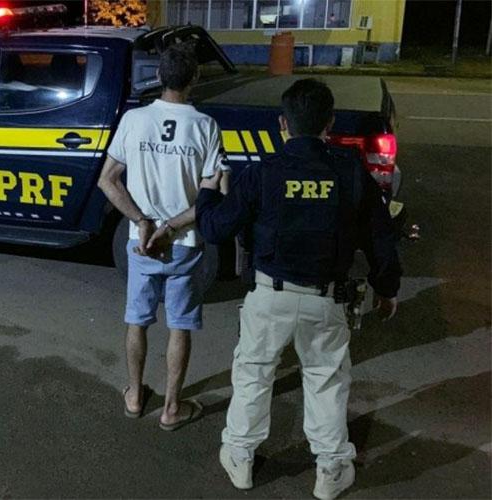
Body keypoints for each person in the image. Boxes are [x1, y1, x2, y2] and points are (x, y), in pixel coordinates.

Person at [195, 78, 401, 499]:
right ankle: (330, 471)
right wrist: (387, 288)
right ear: (330, 123)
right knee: (325, 382)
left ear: (283, 124)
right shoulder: (349, 172)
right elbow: (379, 236)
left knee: (253, 376)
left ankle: (240, 459)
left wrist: (206, 193)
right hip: (326, 300)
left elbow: (215, 228)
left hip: (269, 295)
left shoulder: (263, 172)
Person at [97, 44, 230, 431]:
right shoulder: (205, 126)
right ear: (195, 78)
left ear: (157, 76)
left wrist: (141, 221)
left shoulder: (134, 120)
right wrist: (171, 227)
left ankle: (135, 396)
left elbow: (108, 180)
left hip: (142, 243)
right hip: (183, 243)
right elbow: (213, 193)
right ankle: (172, 408)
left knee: (137, 321)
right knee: (179, 325)